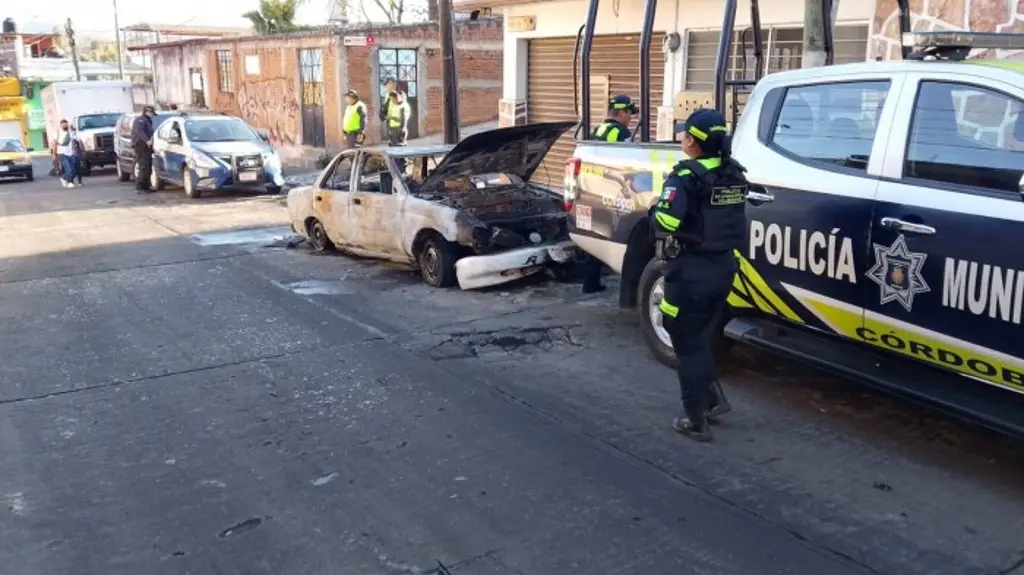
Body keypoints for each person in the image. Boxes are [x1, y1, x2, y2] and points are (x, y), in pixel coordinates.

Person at [650, 108, 745, 442]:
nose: (682, 139)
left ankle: (696, 420)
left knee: (685, 342)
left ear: (692, 141)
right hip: (723, 269)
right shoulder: (733, 172)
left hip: (690, 272)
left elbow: (666, 222)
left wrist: (654, 211)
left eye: (685, 134)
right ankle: (714, 400)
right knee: (699, 337)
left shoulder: (685, 177)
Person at [580, 94, 641, 294]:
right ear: (622, 113)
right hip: (611, 191)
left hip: (593, 189)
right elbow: (628, 160)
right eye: (629, 113)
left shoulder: (598, 129)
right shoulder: (621, 132)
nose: (630, 118)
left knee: (596, 233)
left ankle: (590, 283)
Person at [132, 105, 156, 193]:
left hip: (146, 147)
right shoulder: (140, 120)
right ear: (147, 112)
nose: (152, 115)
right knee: (143, 166)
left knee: (148, 167)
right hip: (140, 146)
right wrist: (147, 140)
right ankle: (140, 186)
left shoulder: (148, 121)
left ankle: (146, 186)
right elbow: (140, 131)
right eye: (152, 113)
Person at [53, 119, 76, 189]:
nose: (65, 126)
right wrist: (53, 153)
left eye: (66, 125)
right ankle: (69, 182)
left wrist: (75, 152)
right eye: (63, 125)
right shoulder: (58, 133)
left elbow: (73, 143)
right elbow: (54, 143)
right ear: (61, 126)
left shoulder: (70, 133)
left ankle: (64, 179)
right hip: (62, 153)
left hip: (70, 153)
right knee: (68, 168)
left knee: (73, 170)